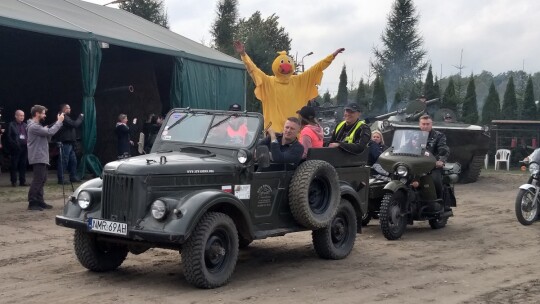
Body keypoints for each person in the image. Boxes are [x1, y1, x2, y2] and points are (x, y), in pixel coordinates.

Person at [233, 40, 344, 132]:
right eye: (282, 62)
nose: (285, 66)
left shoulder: (299, 80)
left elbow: (317, 68)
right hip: (274, 133)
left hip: (295, 133)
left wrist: (331, 56)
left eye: (287, 63)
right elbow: (253, 69)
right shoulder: (268, 82)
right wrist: (243, 55)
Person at [27, 105, 64, 211]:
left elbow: (47, 135)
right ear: (37, 113)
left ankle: (39, 201)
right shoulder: (34, 126)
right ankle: (32, 202)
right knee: (38, 180)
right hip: (38, 156)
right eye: (43, 113)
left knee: (42, 179)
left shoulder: (36, 126)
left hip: (41, 156)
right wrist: (59, 122)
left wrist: (49, 129)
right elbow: (50, 132)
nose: (45, 115)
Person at [419, 114, 450, 201]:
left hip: (432, 165)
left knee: (435, 181)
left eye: (427, 124)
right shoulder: (414, 136)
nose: (425, 126)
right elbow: (405, 148)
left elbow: (443, 149)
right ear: (419, 125)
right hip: (416, 165)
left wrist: (440, 160)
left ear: (431, 124)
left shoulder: (439, 136)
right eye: (423, 124)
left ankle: (437, 203)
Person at [54, 104, 83, 184]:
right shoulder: (62, 116)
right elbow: (75, 124)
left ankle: (73, 176)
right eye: (69, 108)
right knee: (64, 161)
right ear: (65, 109)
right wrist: (80, 117)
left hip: (70, 142)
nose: (70, 109)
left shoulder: (66, 117)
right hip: (65, 142)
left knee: (73, 161)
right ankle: (61, 179)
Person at [7, 110, 28, 187]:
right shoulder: (11, 125)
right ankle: (14, 181)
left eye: (23, 115)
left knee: (23, 165)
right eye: (20, 115)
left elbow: (27, 135)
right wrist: (15, 145)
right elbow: (8, 137)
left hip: (24, 148)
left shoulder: (25, 125)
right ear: (16, 116)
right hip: (15, 148)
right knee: (14, 165)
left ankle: (22, 181)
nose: (22, 117)